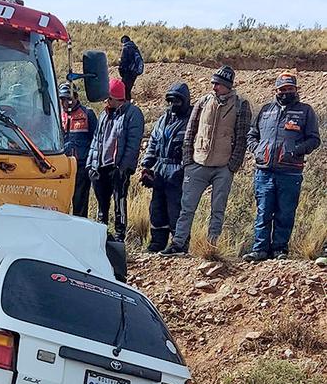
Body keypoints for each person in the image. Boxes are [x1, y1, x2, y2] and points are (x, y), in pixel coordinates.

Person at [161, 66, 252, 256]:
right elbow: (190, 131)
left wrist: (232, 166)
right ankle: (178, 244)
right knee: (187, 208)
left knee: (217, 210)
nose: (214, 86)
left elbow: (242, 138)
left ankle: (211, 247)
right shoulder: (203, 102)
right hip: (198, 163)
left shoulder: (241, 105)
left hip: (223, 167)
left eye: (218, 84)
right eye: (213, 83)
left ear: (227, 85)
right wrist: (188, 161)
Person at [243, 72, 321, 261]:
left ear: (295, 89)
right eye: (282, 89)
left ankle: (279, 250)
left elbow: (314, 139)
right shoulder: (265, 110)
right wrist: (258, 149)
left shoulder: (305, 111)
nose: (286, 92)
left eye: (289, 88)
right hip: (264, 171)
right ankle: (260, 249)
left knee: (285, 212)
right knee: (263, 210)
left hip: (290, 172)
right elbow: (252, 135)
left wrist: (295, 150)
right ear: (276, 90)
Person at [86, 78, 145, 241]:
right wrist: (91, 165)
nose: (106, 101)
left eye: (109, 97)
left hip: (118, 166)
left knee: (119, 202)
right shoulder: (104, 114)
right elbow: (96, 140)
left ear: (117, 97)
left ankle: (120, 235)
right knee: (101, 205)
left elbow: (133, 144)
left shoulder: (133, 113)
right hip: (100, 166)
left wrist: (124, 168)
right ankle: (101, 233)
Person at [139, 82, 191, 252]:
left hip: (179, 169)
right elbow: (153, 143)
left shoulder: (191, 121)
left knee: (176, 208)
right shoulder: (163, 120)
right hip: (160, 167)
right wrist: (146, 166)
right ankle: (157, 243)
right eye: (170, 101)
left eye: (177, 101)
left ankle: (179, 244)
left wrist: (186, 168)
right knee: (157, 207)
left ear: (185, 101)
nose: (172, 105)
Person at [59, 82, 97, 217]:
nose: (65, 103)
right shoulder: (58, 116)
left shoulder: (88, 114)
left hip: (81, 166)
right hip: (62, 166)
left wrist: (92, 164)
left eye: (68, 99)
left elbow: (96, 141)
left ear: (76, 97)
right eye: (62, 99)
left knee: (80, 203)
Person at [118, 35, 144, 100]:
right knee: (128, 90)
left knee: (124, 91)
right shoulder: (135, 48)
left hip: (128, 73)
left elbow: (123, 62)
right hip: (134, 73)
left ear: (123, 41)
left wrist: (121, 71)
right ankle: (128, 105)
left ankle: (125, 107)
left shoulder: (126, 48)